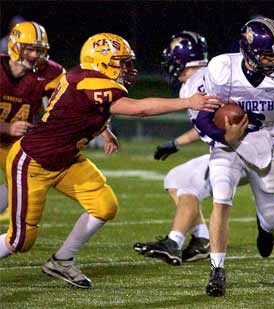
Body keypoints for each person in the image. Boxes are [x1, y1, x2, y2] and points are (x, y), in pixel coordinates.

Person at [0, 32, 219, 289]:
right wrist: (189, 102)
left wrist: (104, 131)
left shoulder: (85, 79)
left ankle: (62, 260)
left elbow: (84, 109)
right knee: (21, 241)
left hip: (67, 160)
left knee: (105, 206)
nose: (126, 68)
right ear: (100, 61)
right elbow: (139, 109)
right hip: (34, 163)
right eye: (120, 62)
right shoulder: (90, 81)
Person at [194, 17, 274, 297]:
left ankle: (265, 230)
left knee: (272, 219)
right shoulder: (224, 69)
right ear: (249, 52)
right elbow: (202, 118)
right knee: (221, 200)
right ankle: (217, 270)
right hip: (228, 146)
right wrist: (225, 137)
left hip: (265, 145)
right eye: (269, 54)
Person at [133, 31, 234, 265]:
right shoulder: (207, 75)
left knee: (188, 186)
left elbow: (211, 123)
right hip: (232, 148)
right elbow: (208, 123)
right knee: (175, 178)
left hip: (231, 154)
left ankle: (173, 242)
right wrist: (176, 143)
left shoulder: (193, 84)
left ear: (181, 57)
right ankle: (201, 239)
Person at [0, 21, 64, 224]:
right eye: (30, 49)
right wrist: (7, 127)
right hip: (7, 132)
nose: (35, 56)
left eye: (39, 50)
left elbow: (63, 105)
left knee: (25, 176)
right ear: (15, 46)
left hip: (14, 142)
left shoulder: (49, 73)